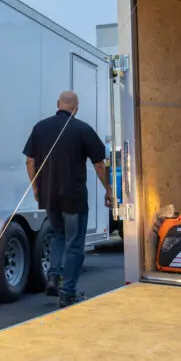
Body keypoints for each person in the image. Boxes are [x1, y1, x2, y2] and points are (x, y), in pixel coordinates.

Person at [23, 91, 113, 307]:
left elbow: (29, 160)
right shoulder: (82, 129)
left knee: (57, 236)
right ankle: (68, 292)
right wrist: (108, 189)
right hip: (74, 198)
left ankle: (53, 276)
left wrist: (36, 188)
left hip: (49, 196)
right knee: (74, 244)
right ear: (76, 108)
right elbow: (99, 163)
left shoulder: (40, 127)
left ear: (58, 104)